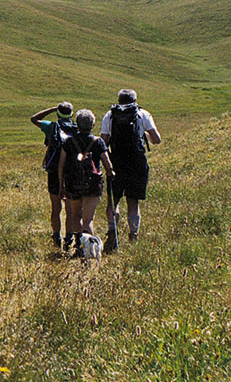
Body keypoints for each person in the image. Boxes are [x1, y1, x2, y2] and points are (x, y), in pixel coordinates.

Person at [100, 89, 161, 245]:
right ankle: (133, 234)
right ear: (135, 100)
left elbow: (103, 142)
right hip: (136, 161)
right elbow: (156, 139)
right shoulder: (143, 114)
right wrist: (143, 135)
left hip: (116, 161)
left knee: (114, 200)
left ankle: (112, 231)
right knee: (133, 201)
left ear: (118, 100)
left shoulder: (110, 115)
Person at [58, 109, 114, 257]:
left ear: (77, 124)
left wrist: (61, 185)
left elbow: (61, 165)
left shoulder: (68, 142)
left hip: (73, 185)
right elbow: (107, 164)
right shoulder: (98, 141)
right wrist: (111, 174)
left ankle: (78, 247)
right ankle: (90, 250)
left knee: (76, 215)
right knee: (88, 219)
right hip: (92, 186)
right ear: (92, 125)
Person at [30, 101, 76, 248]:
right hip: (72, 172)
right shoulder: (77, 128)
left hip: (54, 171)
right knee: (70, 208)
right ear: (72, 114)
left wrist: (52, 108)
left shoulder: (51, 127)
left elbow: (34, 118)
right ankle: (69, 238)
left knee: (56, 207)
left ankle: (56, 236)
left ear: (57, 114)